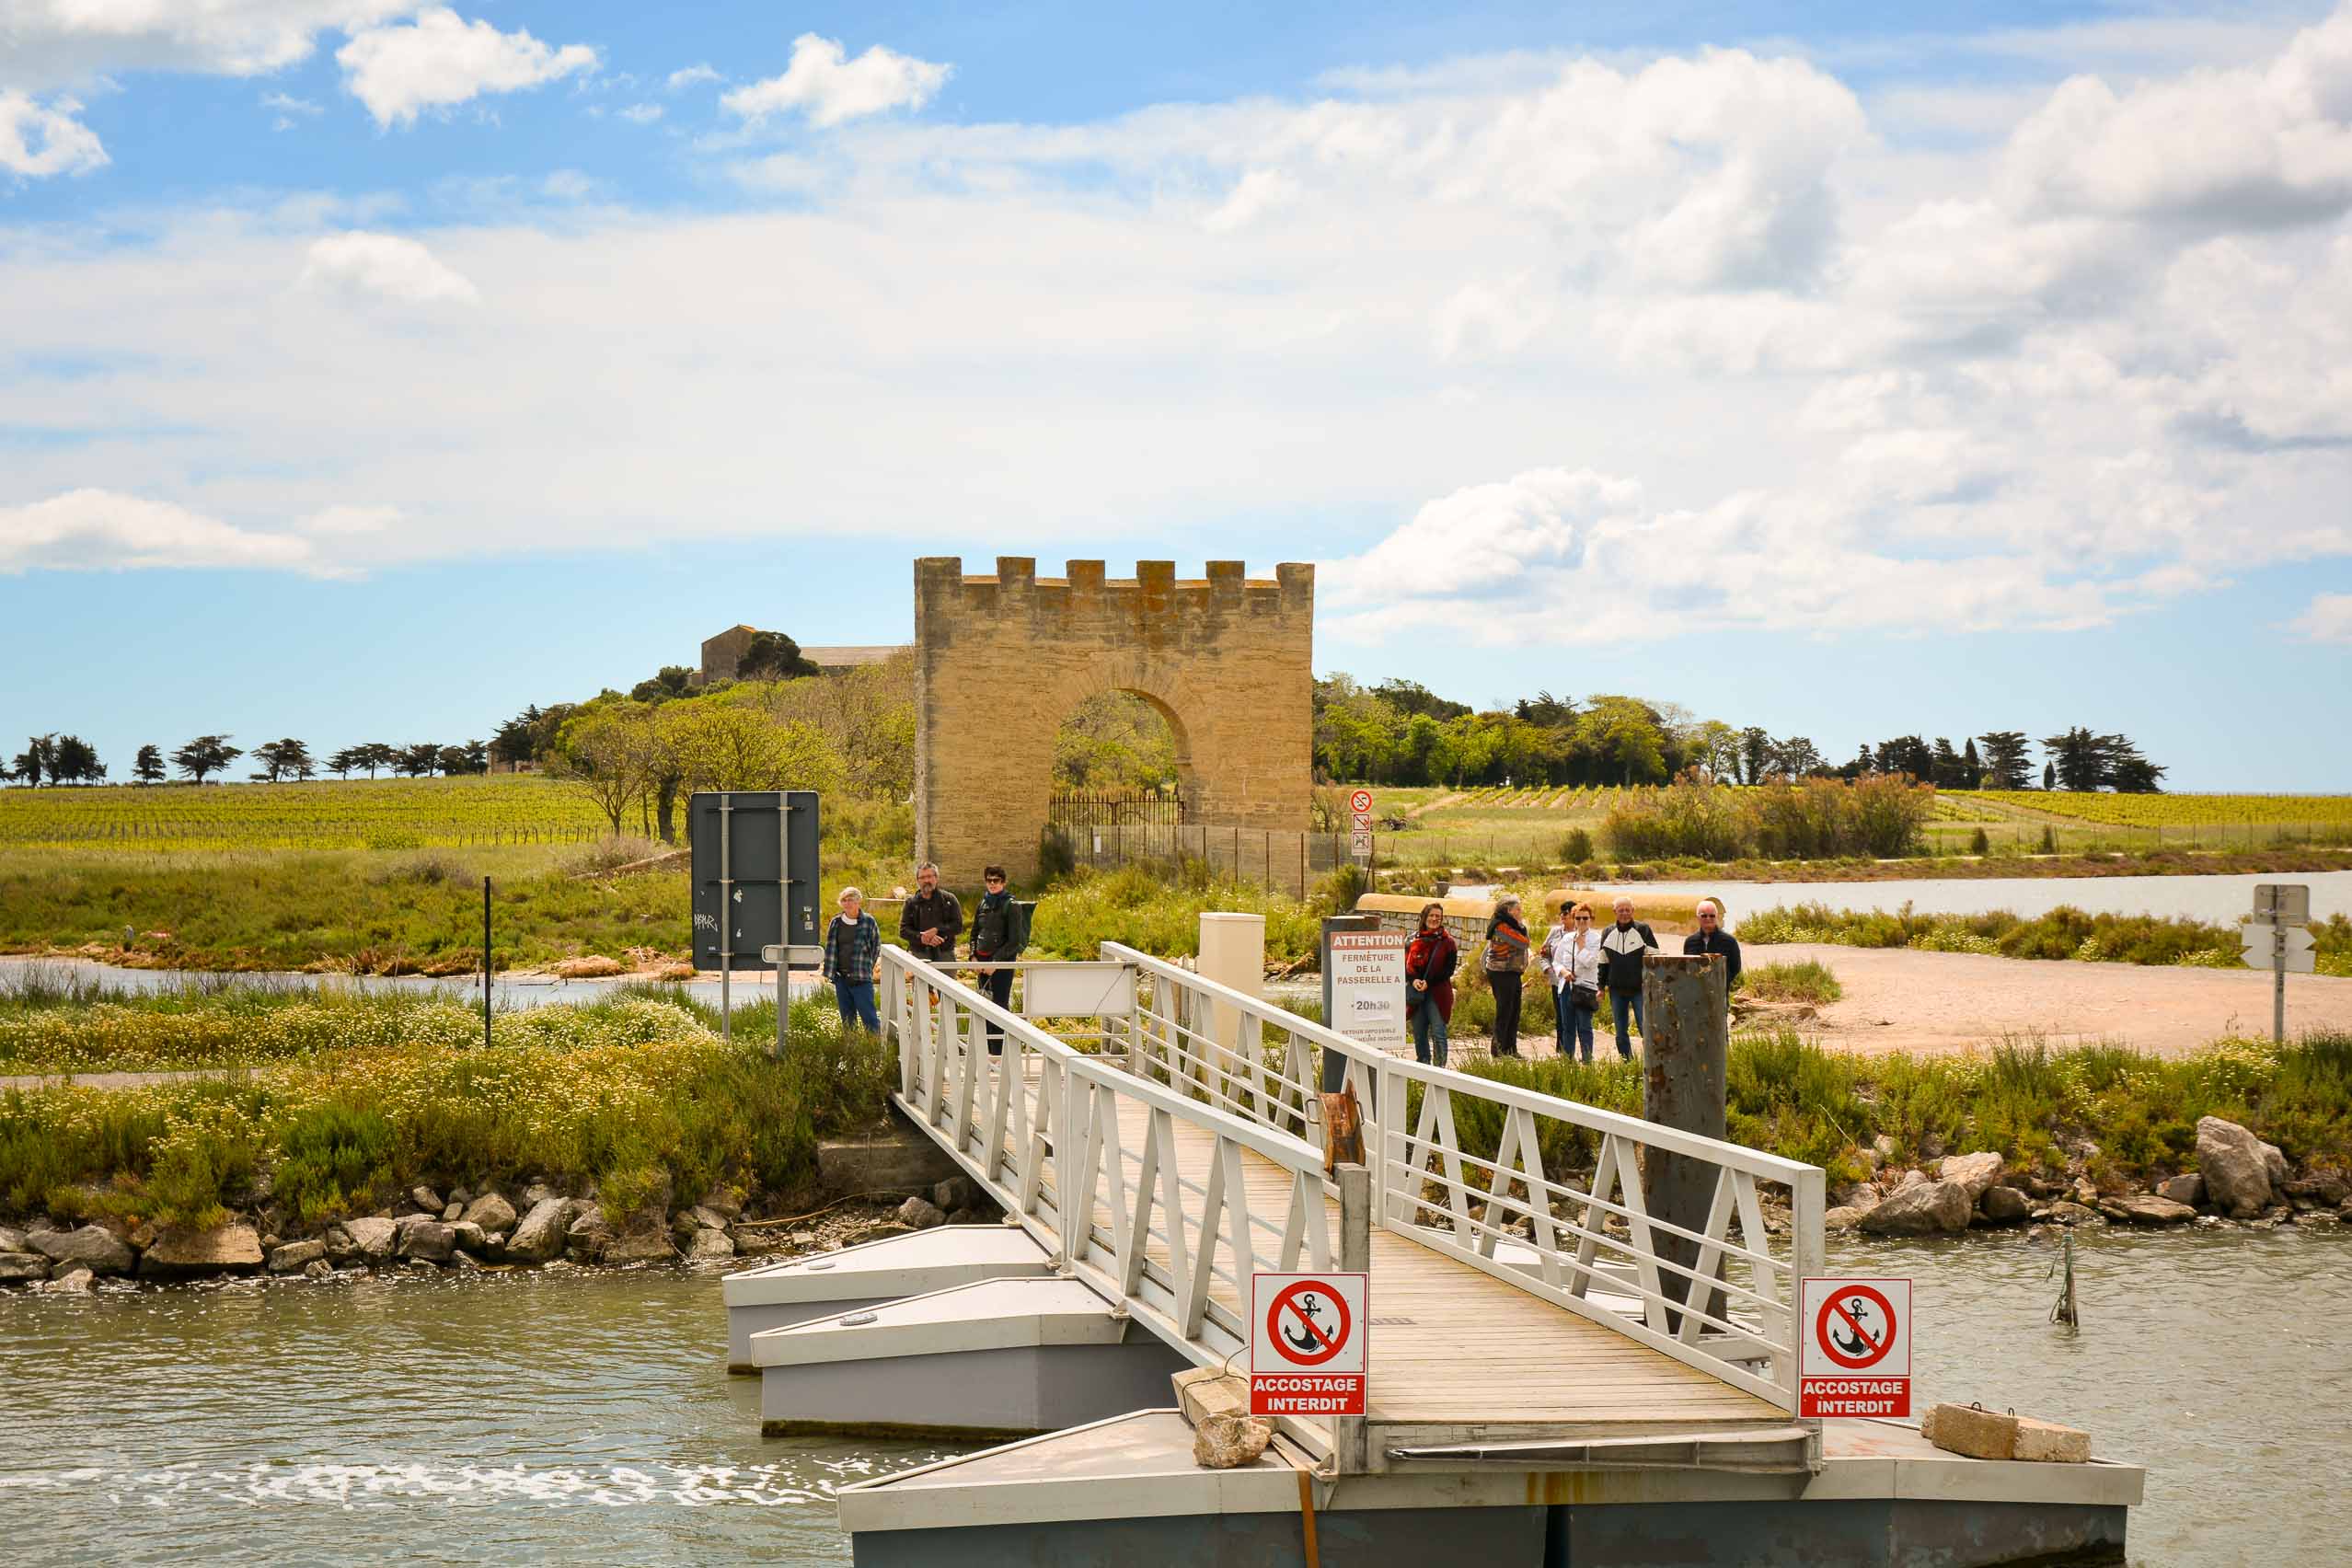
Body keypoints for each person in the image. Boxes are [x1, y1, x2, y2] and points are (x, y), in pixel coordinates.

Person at [968, 865, 1026, 1055]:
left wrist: (996, 962)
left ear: (1003, 882)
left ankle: (1000, 1053)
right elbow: (974, 933)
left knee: (1000, 1006)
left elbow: (1015, 941)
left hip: (1002, 965)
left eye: (996, 881)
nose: (992, 884)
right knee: (984, 1006)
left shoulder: (1012, 906)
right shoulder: (982, 904)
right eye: (989, 880)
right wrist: (973, 957)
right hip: (982, 965)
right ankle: (986, 1051)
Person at [1597, 895, 1658, 1060]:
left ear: (1633, 911)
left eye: (1627, 910)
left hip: (1640, 989)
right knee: (1620, 1031)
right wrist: (1600, 987)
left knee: (1645, 1027)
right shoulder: (1607, 932)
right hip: (1616, 991)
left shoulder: (1643, 929)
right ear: (1614, 912)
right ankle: (1627, 1062)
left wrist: (1653, 984)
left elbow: (1655, 959)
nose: (1624, 913)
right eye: (1621, 910)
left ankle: (1650, 1062)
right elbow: (1603, 963)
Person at [1539, 900, 1601, 1063]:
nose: (1581, 922)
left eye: (1585, 918)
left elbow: (1591, 962)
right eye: (1578, 918)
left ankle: (1587, 1060)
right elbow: (1557, 961)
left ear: (1591, 919)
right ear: (1574, 919)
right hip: (1566, 987)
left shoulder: (1596, 939)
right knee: (1567, 1026)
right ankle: (1568, 1060)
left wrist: (1581, 947)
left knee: (1584, 1027)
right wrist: (1563, 971)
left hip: (1585, 988)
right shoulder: (1567, 938)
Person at [1403, 902, 1458, 1067]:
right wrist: (1414, 980)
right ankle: (1423, 1066)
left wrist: (1429, 982)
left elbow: (1449, 970)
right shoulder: (1412, 940)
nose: (1434, 919)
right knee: (1419, 1033)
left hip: (1438, 994)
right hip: (1416, 993)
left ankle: (1440, 1069)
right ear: (1424, 917)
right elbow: (1405, 966)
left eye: (1438, 917)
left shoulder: (1448, 942)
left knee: (1438, 1032)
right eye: (1432, 916)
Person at [821, 886, 882, 1033]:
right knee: (847, 1020)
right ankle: (852, 1050)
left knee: (870, 1018)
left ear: (858, 901)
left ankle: (876, 1050)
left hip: (861, 978)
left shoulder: (869, 921)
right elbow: (830, 948)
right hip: (841, 978)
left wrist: (867, 967)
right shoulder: (835, 922)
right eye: (844, 900)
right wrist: (832, 973)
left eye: (851, 900)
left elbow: (876, 947)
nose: (847, 903)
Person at [1482, 895, 1531, 1057]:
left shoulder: (1512, 925)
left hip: (1512, 972)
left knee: (1514, 1011)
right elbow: (1523, 943)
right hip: (1501, 973)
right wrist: (1522, 929)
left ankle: (1511, 1048)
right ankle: (1498, 1049)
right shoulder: (1501, 927)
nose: (1521, 912)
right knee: (1504, 1011)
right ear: (1508, 911)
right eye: (1518, 909)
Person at [898, 861, 962, 965]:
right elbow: (903, 930)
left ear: (936, 878)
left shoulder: (949, 899)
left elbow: (958, 926)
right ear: (917, 881)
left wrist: (937, 930)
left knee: (946, 982)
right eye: (922, 877)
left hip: (945, 954)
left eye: (929, 876)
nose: (926, 880)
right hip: (919, 955)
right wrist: (921, 937)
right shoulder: (911, 903)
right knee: (920, 982)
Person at [1683, 898, 1742, 991]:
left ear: (1716, 917)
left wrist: (1722, 981)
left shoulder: (1729, 941)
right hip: (1695, 993)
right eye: (1704, 916)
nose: (1708, 918)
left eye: (1712, 915)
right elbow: (1687, 967)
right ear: (1698, 917)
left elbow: (1736, 968)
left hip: (1719, 993)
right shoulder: (1690, 942)